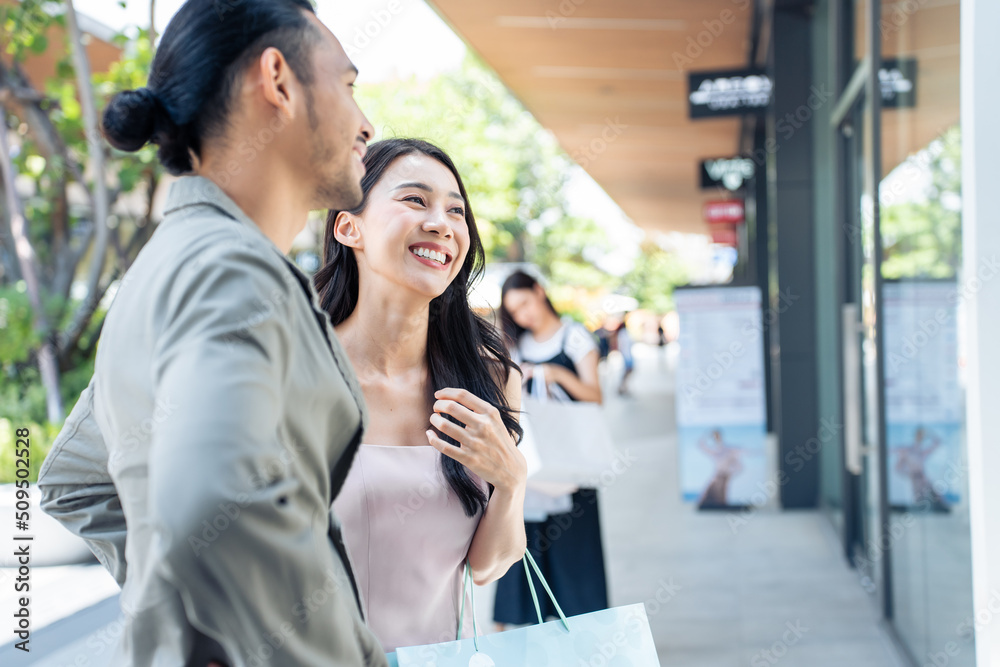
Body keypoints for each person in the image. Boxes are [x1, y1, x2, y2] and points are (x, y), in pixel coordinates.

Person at [36, 1, 385, 664]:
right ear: (277, 81)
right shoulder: (229, 270)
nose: (365, 124)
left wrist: (177, 612)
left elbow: (77, 481)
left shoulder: (165, 266)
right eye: (347, 85)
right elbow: (213, 496)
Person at [313, 138, 528, 651]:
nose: (442, 223)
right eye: (415, 200)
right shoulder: (293, 371)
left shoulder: (488, 378)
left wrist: (512, 481)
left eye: (456, 210)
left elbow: (486, 567)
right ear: (349, 226)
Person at [492, 270, 609, 626]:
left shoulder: (574, 337)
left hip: (571, 459)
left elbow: (595, 395)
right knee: (528, 541)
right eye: (515, 310)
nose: (523, 315)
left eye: (525, 303)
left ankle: (582, 631)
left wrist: (556, 375)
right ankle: (522, 626)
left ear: (540, 291)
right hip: (535, 459)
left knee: (574, 548)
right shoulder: (517, 342)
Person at [696, 429, 746, 509]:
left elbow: (739, 467)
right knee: (706, 500)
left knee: (720, 500)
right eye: (714, 436)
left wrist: (730, 473)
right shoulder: (716, 451)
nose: (716, 438)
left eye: (717, 436)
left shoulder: (729, 450)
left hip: (724, 478)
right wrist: (707, 434)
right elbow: (701, 445)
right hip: (717, 478)